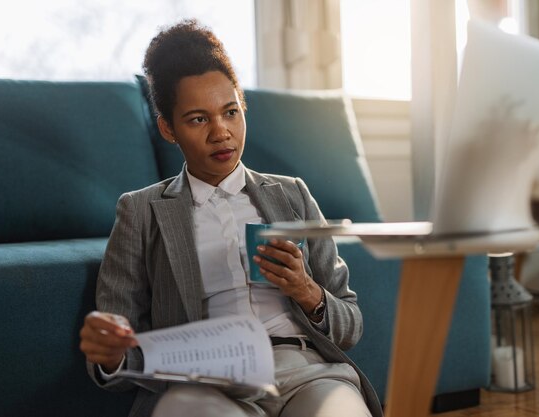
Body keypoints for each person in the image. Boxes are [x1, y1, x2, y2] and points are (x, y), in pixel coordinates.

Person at [79, 19, 381, 417]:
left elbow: (350, 324)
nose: (221, 132)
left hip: (307, 372)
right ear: (168, 128)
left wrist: (307, 291)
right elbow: (120, 344)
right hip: (204, 383)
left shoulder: (291, 194)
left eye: (230, 112)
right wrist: (112, 353)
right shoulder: (140, 211)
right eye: (198, 119)